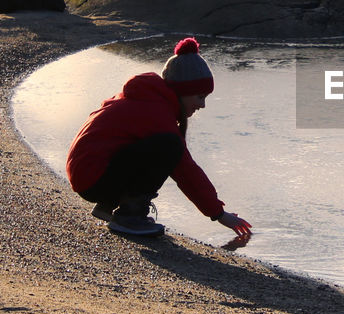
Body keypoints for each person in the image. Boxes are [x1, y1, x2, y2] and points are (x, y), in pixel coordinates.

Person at [66, 37, 252, 239]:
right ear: (183, 91)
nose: (202, 105)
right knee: (169, 147)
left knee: (161, 146)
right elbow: (185, 171)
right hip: (92, 177)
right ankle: (130, 216)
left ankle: (109, 204)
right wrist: (218, 213)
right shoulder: (157, 113)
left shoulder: (145, 100)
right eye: (200, 97)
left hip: (88, 174)